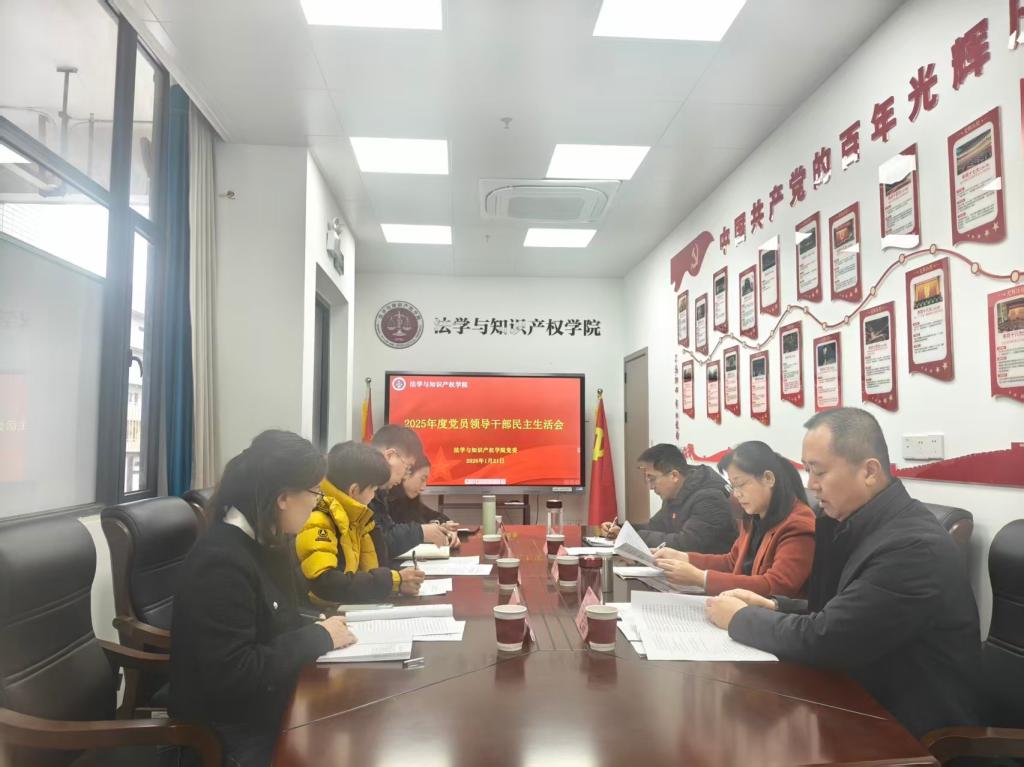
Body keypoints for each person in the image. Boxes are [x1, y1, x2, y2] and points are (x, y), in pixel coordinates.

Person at [706, 408, 984, 738]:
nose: (811, 485)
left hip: (911, 732)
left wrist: (739, 618)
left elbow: (826, 639)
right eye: (807, 470)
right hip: (859, 701)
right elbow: (847, 612)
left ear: (869, 471)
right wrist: (775, 606)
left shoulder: (912, 548)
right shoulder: (858, 526)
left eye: (819, 472)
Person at [168, 430, 356, 767]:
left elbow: (279, 619)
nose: (317, 502)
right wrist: (319, 636)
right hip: (229, 731)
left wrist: (323, 629)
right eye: (314, 492)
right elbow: (235, 673)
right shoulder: (221, 562)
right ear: (283, 498)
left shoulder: (266, 541)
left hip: (269, 704)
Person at [653, 440, 815, 597]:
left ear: (768, 478)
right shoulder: (755, 516)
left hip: (775, 614)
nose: (736, 494)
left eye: (741, 484)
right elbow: (732, 562)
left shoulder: (798, 525)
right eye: (733, 486)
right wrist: (683, 558)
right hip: (741, 606)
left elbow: (776, 586)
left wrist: (701, 578)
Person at [296, 441, 426, 605]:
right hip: (329, 612)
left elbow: (377, 565)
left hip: (354, 606)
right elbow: (326, 583)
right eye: (373, 490)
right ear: (354, 490)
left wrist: (398, 582)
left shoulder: (357, 516)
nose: (373, 496)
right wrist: (394, 580)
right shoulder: (320, 518)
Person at [601, 443, 736, 554]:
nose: (651, 487)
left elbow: (685, 545)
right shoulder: (675, 494)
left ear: (674, 475)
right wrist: (621, 529)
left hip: (708, 573)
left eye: (652, 479)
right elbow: (655, 527)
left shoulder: (710, 498)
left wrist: (631, 537)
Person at [369, 425, 453, 560]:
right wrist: (421, 532)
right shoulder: (362, 489)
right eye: (407, 467)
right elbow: (377, 544)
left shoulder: (380, 491)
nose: (405, 475)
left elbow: (387, 533)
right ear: (390, 456)